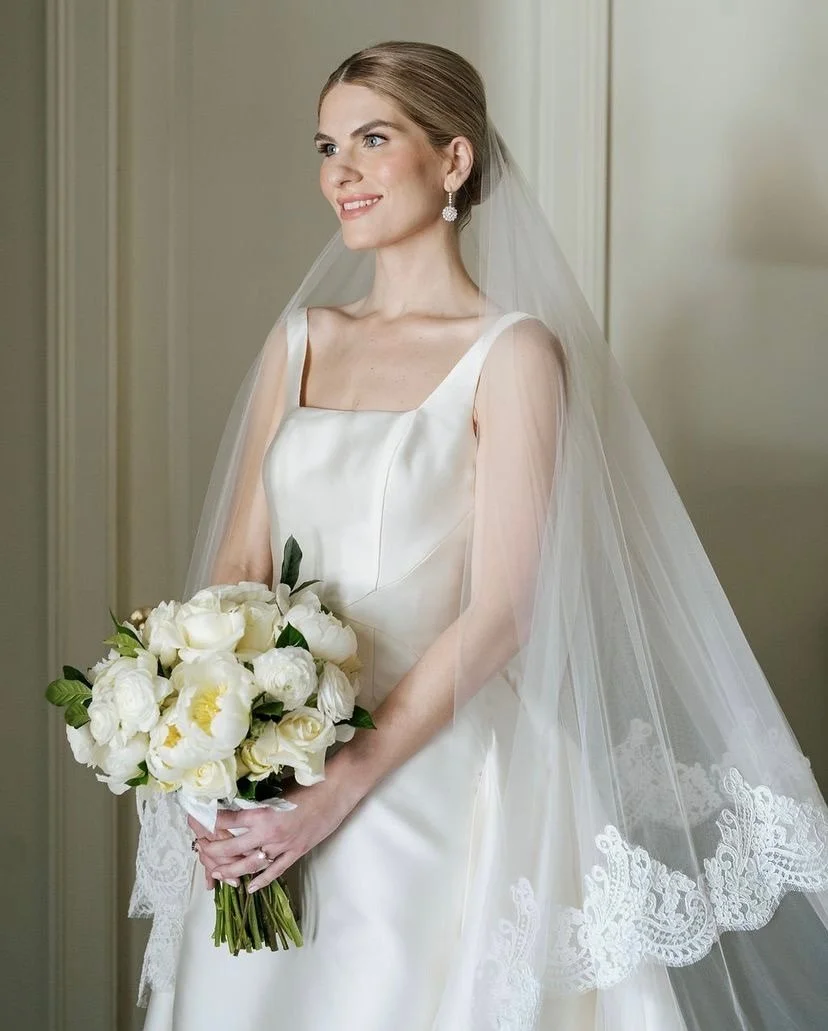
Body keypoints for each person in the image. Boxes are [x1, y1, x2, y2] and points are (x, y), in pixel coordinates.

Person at [135, 41, 828, 1031]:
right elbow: (239, 568)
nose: (341, 169)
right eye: (328, 144)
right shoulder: (301, 340)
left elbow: (505, 607)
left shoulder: (513, 354)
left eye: (375, 139)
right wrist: (229, 745)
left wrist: (341, 787)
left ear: (451, 160)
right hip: (277, 764)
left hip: (439, 777)